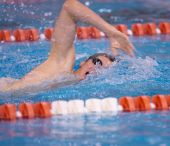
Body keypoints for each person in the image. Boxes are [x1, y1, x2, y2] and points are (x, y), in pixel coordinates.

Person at [0, 0, 134, 95]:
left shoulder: (69, 89)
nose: (95, 70)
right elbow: (69, 6)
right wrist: (110, 31)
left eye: (102, 70)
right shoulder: (61, 65)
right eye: (97, 62)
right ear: (83, 62)